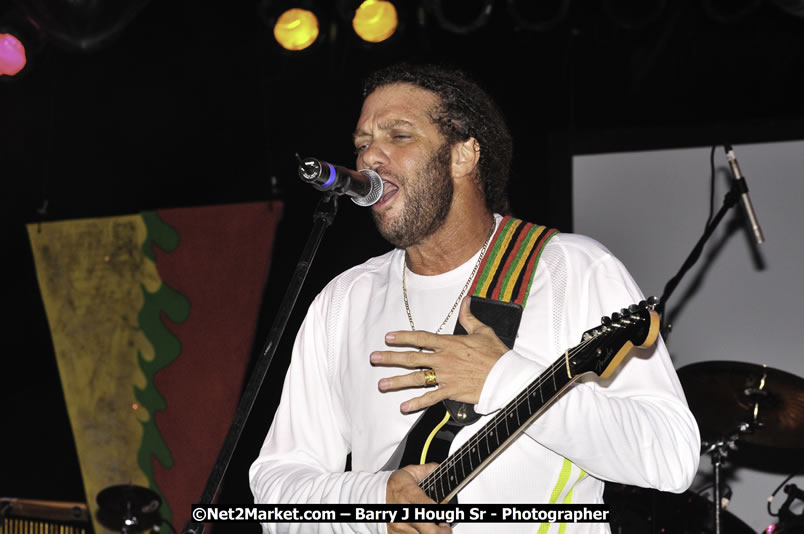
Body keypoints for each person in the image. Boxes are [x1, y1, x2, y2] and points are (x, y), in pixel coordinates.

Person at [249, 63, 701, 534]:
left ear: (464, 155)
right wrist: (375, 500)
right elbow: (276, 491)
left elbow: (671, 457)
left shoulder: (571, 269)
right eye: (362, 143)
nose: (370, 159)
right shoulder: (343, 300)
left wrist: (504, 379)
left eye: (398, 136)